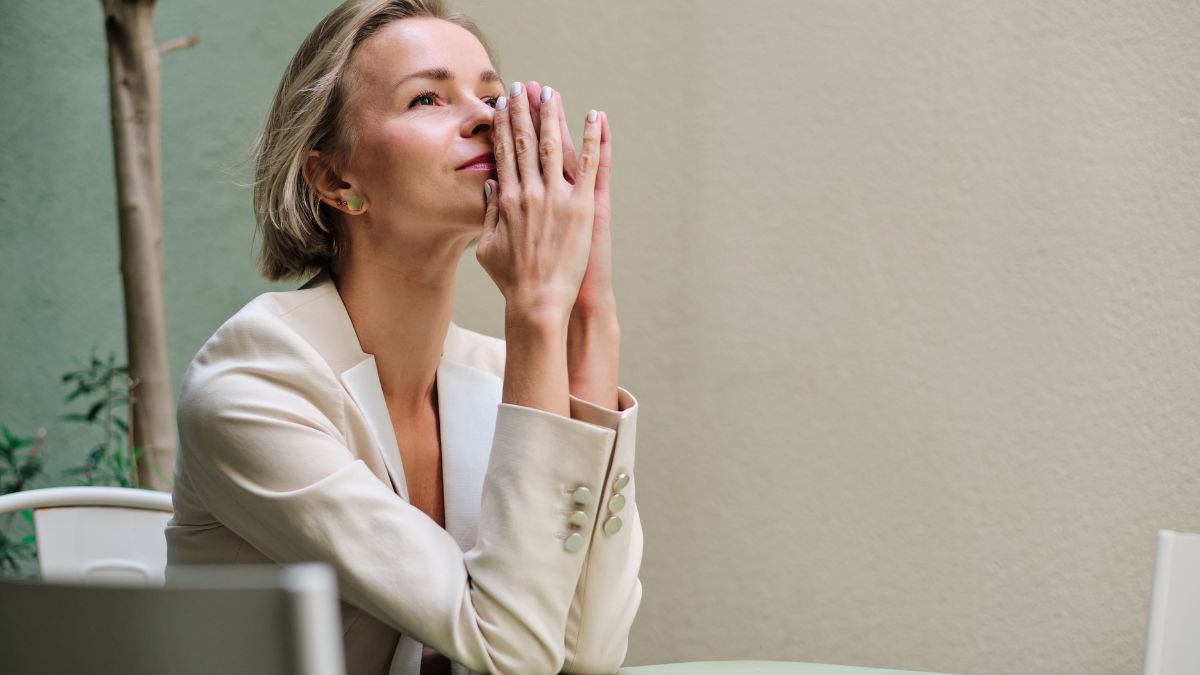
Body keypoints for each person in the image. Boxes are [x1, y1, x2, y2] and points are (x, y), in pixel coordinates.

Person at [164, 1, 642, 674]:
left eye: (492, 95)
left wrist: (588, 311)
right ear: (335, 178)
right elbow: (516, 654)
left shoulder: (499, 371)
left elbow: (588, 651)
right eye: (427, 97)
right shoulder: (255, 384)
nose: (486, 118)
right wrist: (537, 308)